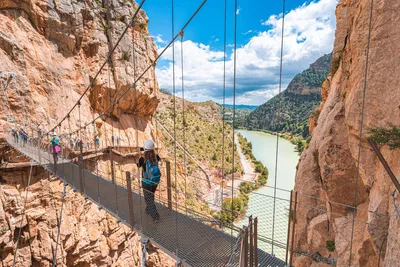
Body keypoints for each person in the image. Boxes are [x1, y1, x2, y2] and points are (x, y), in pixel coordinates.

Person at [137, 139, 161, 222]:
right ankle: (148, 209)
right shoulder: (156, 157)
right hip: (155, 182)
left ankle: (155, 216)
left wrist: (140, 156)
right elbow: (158, 159)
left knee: (148, 198)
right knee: (151, 196)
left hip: (146, 182)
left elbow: (138, 165)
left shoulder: (143, 159)